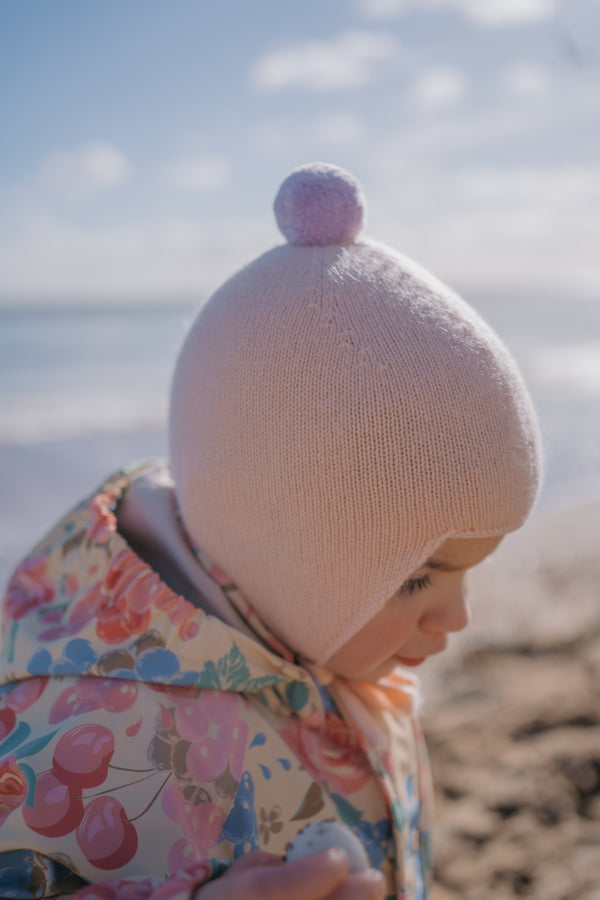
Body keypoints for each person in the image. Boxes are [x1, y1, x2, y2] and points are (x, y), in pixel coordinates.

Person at [0, 163, 542, 900]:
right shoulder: (76, 744)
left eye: (465, 570)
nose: (458, 616)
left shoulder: (310, 637)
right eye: (417, 577)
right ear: (284, 552)